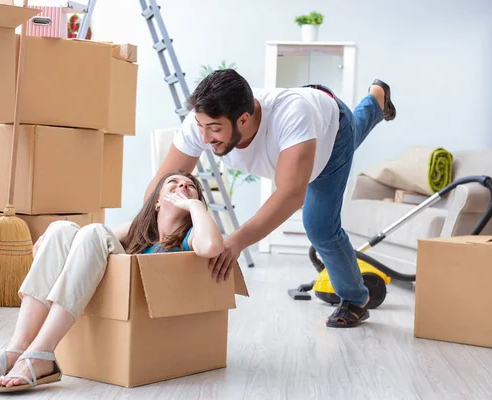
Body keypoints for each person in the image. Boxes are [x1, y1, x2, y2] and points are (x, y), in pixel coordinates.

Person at [146, 69, 396, 328]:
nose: (205, 138)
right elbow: (162, 184)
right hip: (306, 124)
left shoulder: (292, 116)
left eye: (214, 129)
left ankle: (355, 298)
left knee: (320, 226)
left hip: (332, 132)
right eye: (201, 127)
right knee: (317, 158)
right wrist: (143, 231)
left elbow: (291, 194)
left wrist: (236, 241)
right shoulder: (202, 121)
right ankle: (376, 101)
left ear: (243, 119)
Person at [0, 171, 224, 392]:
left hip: (152, 309)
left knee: (93, 230)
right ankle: (17, 348)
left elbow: (212, 246)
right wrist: (52, 240)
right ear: (157, 201)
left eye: (191, 187)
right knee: (61, 229)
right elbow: (87, 242)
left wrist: (196, 207)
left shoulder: (190, 235)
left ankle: (41, 352)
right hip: (108, 296)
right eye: (174, 183)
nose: (183, 187)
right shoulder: (139, 229)